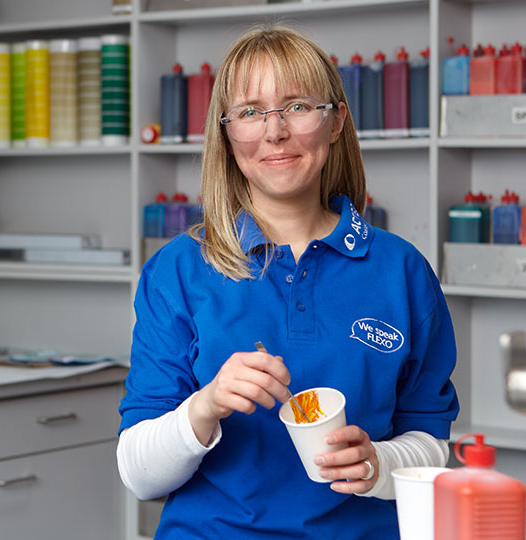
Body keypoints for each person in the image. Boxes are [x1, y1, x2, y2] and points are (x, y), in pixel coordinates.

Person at [117, 26, 459, 540]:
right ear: (228, 133)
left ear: (336, 120)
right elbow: (139, 476)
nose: (274, 133)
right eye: (251, 112)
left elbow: (430, 441)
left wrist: (379, 463)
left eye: (297, 106)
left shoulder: (401, 270)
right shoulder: (179, 271)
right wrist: (205, 406)